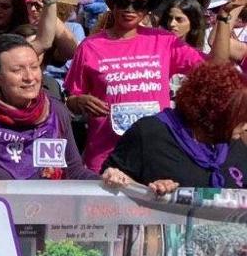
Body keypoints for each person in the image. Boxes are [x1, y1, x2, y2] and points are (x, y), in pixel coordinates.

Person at [65, 0, 205, 172]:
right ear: (112, 5)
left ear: (147, 10)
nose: (130, 9)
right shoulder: (90, 46)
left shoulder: (164, 41)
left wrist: (226, 18)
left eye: (139, 5)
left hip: (155, 153)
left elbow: (213, 66)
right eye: (123, 2)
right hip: (106, 155)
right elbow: (71, 100)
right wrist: (80, 101)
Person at [0, 34, 97, 186]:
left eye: (34, 67)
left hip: (51, 207)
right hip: (1, 208)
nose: (29, 77)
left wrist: (107, 180)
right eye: (17, 70)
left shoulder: (55, 111)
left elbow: (74, 171)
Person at [102, 61, 247, 192]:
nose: (245, 126)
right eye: (240, 118)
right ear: (216, 114)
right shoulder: (149, 134)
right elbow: (109, 186)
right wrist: (148, 191)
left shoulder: (236, 142)